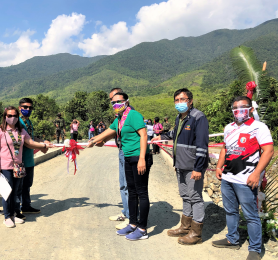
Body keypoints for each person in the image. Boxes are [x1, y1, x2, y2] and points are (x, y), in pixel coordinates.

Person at [212, 96, 274, 260]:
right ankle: (232, 239)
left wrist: (256, 173)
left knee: (251, 215)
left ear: (251, 109)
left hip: (246, 180)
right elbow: (225, 149)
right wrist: (219, 167)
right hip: (228, 178)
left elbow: (268, 151)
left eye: (243, 108)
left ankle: (255, 249)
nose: (238, 111)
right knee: (231, 211)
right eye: (235, 109)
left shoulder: (259, 127)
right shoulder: (228, 128)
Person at [88, 92, 152, 241]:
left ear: (126, 102)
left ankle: (142, 229)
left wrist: (142, 158)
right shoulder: (119, 119)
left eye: (119, 102)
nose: (116, 105)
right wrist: (92, 141)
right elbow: (107, 133)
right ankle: (132, 224)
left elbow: (143, 135)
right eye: (113, 103)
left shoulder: (134, 115)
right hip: (128, 157)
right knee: (131, 191)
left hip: (139, 157)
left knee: (141, 192)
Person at [152, 88, 209, 245]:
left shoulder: (198, 117)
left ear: (190, 101)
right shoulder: (179, 118)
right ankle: (185, 226)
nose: (179, 103)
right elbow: (174, 133)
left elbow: (202, 145)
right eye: (176, 100)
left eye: (182, 99)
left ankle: (196, 233)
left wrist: (198, 168)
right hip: (181, 164)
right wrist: (161, 136)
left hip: (192, 166)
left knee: (195, 197)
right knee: (184, 195)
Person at [0, 106, 53, 228]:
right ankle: (7, 216)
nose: (12, 118)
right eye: (9, 116)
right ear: (5, 116)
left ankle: (15, 213)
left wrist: (44, 144)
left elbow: (30, 143)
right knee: (7, 192)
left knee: (16, 192)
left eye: (15, 116)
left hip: (18, 166)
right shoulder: (0, 131)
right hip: (5, 166)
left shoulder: (21, 131)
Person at [17, 98, 52, 218]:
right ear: (19, 108)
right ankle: (16, 210)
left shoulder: (29, 122)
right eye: (25, 107)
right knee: (19, 186)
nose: (28, 109)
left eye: (30, 108)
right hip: (20, 160)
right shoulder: (18, 123)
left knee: (27, 184)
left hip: (29, 159)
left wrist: (42, 141)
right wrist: (43, 145)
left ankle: (26, 206)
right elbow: (27, 142)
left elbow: (32, 138)